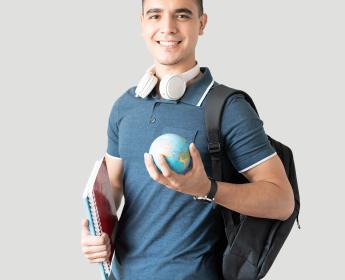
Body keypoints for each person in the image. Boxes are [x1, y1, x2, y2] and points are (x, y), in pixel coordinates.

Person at [81, 0, 295, 279]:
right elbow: (114, 185)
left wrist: (208, 188)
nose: (167, 28)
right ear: (142, 23)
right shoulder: (125, 106)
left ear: (201, 24)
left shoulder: (227, 108)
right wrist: (97, 236)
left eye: (181, 15)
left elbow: (281, 201)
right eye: (155, 15)